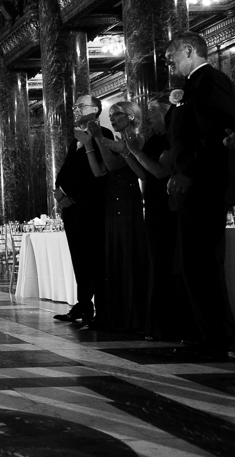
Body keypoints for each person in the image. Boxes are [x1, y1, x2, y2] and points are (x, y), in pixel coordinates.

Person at [166, 31, 235, 357]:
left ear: (188, 50)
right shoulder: (193, 86)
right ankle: (211, 334)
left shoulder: (210, 81)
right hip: (193, 187)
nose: (170, 64)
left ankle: (218, 338)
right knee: (195, 264)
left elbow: (215, 136)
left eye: (172, 57)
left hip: (203, 186)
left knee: (202, 265)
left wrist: (188, 172)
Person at [124, 97, 195, 341]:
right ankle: (157, 324)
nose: (150, 117)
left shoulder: (171, 139)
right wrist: (128, 154)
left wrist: (134, 151)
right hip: (153, 205)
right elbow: (143, 173)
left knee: (167, 263)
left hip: (167, 206)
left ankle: (171, 324)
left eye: (153, 112)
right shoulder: (154, 140)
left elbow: (160, 171)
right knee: (158, 264)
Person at [53, 95, 113, 327]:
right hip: (72, 209)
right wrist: (58, 190)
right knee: (79, 257)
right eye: (75, 106)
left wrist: (72, 196)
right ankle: (83, 303)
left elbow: (95, 176)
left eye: (82, 106)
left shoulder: (103, 135)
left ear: (96, 110)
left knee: (93, 256)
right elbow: (67, 170)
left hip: (90, 207)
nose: (76, 109)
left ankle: (101, 306)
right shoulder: (74, 141)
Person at [88, 101, 148, 332]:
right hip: (113, 203)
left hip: (127, 202)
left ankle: (133, 316)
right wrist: (91, 145)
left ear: (131, 117)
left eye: (117, 114)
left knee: (128, 254)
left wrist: (98, 138)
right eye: (110, 115)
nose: (111, 119)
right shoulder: (115, 141)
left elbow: (113, 165)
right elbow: (100, 170)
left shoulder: (134, 140)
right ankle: (117, 314)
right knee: (115, 256)